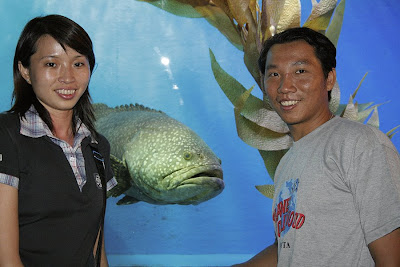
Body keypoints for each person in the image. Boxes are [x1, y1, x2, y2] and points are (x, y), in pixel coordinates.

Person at [234, 27, 400, 266]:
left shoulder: (360, 143)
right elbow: (287, 248)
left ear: (329, 78)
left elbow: (392, 255)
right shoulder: (287, 163)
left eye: (300, 71)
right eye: (274, 75)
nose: (285, 87)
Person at [0, 14, 117, 266]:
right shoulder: (6, 135)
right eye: (52, 64)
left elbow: (96, 249)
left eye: (78, 64)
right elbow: (6, 258)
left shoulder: (98, 146)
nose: (68, 77)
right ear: (25, 71)